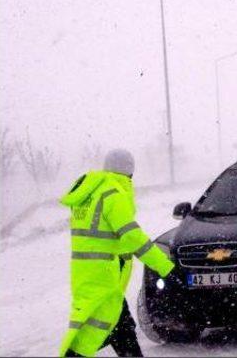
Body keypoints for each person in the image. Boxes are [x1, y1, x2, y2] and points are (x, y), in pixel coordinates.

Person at [59, 149, 180, 357]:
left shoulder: (89, 193)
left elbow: (103, 237)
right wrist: (165, 267)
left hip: (86, 273)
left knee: (118, 326)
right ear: (130, 172)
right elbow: (133, 238)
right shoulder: (113, 195)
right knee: (91, 333)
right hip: (104, 276)